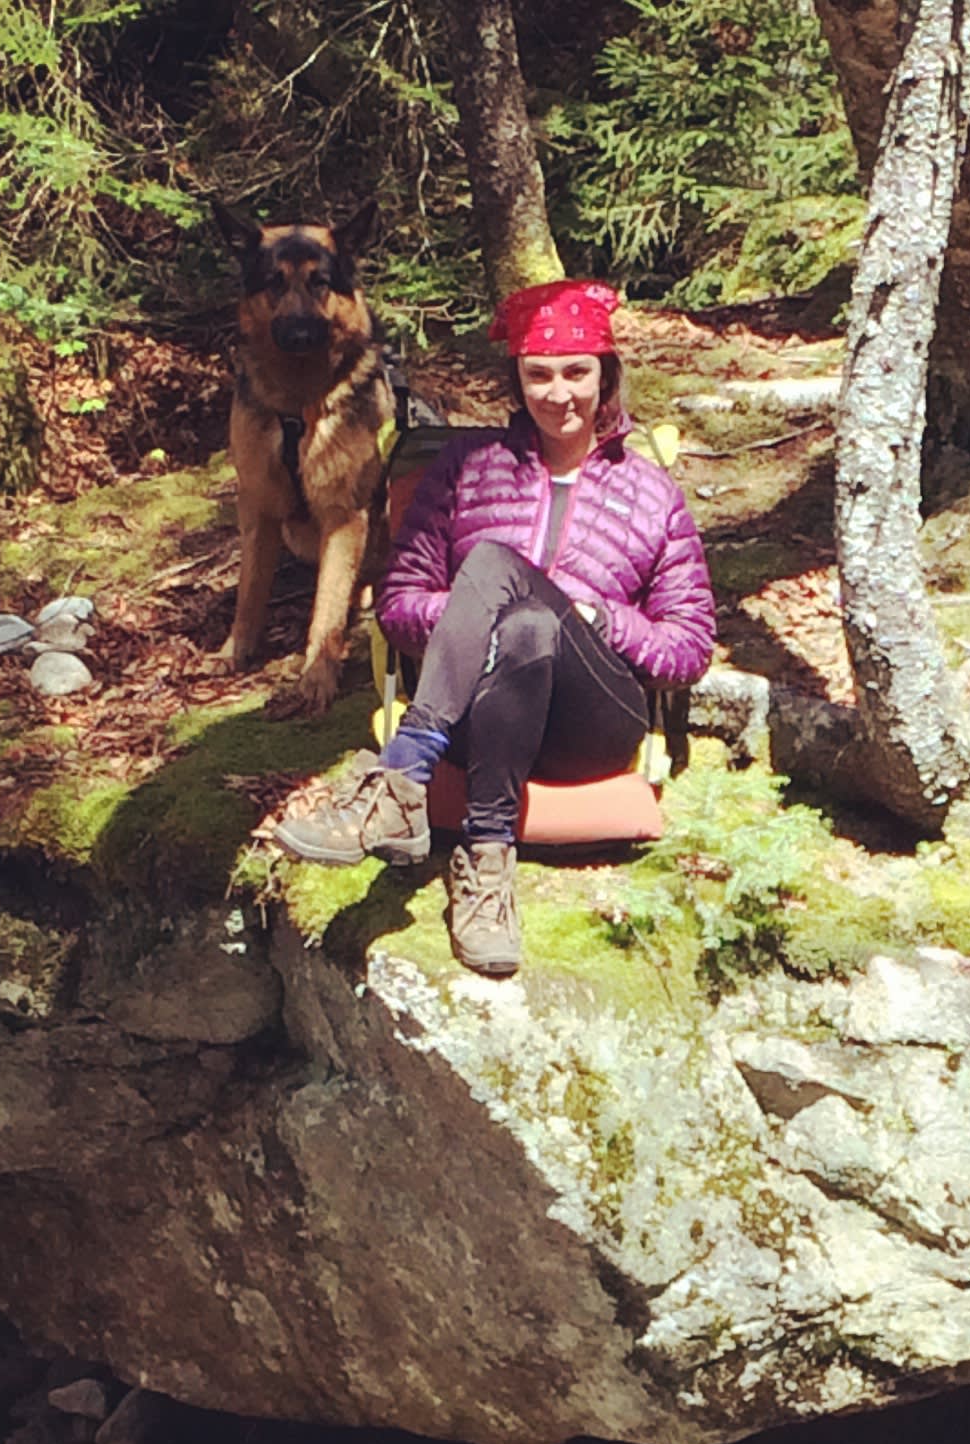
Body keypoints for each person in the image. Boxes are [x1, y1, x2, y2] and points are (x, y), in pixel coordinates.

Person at [271, 278, 717, 977]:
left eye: (577, 373)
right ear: (517, 380)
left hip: (590, 725)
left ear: (607, 377)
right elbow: (400, 601)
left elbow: (689, 648)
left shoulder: (651, 491)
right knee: (524, 618)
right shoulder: (466, 469)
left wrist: (599, 618)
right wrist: (482, 619)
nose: (558, 393)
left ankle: (399, 783)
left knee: (521, 592)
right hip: (474, 712)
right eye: (538, 375)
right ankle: (486, 866)